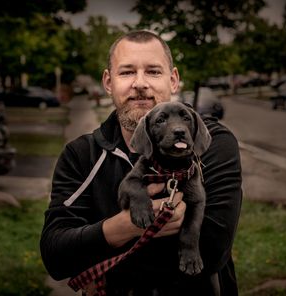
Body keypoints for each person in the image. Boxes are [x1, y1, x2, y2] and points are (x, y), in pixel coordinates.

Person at [40, 30, 242, 296]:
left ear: (173, 80)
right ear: (108, 82)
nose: (140, 83)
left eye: (153, 72)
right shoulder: (81, 155)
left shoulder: (211, 142)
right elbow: (56, 256)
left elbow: (210, 250)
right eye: (126, 72)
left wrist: (100, 264)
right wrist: (120, 227)